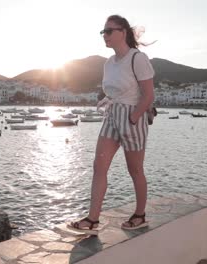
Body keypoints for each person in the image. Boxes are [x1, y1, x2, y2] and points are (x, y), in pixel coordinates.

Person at [67, 15, 155, 234]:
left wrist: (134, 118)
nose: (104, 36)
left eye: (108, 31)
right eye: (102, 32)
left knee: (134, 169)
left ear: (122, 32)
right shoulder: (109, 63)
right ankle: (92, 219)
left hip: (132, 116)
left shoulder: (138, 58)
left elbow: (148, 95)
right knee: (99, 166)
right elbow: (112, 91)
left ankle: (140, 214)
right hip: (112, 115)